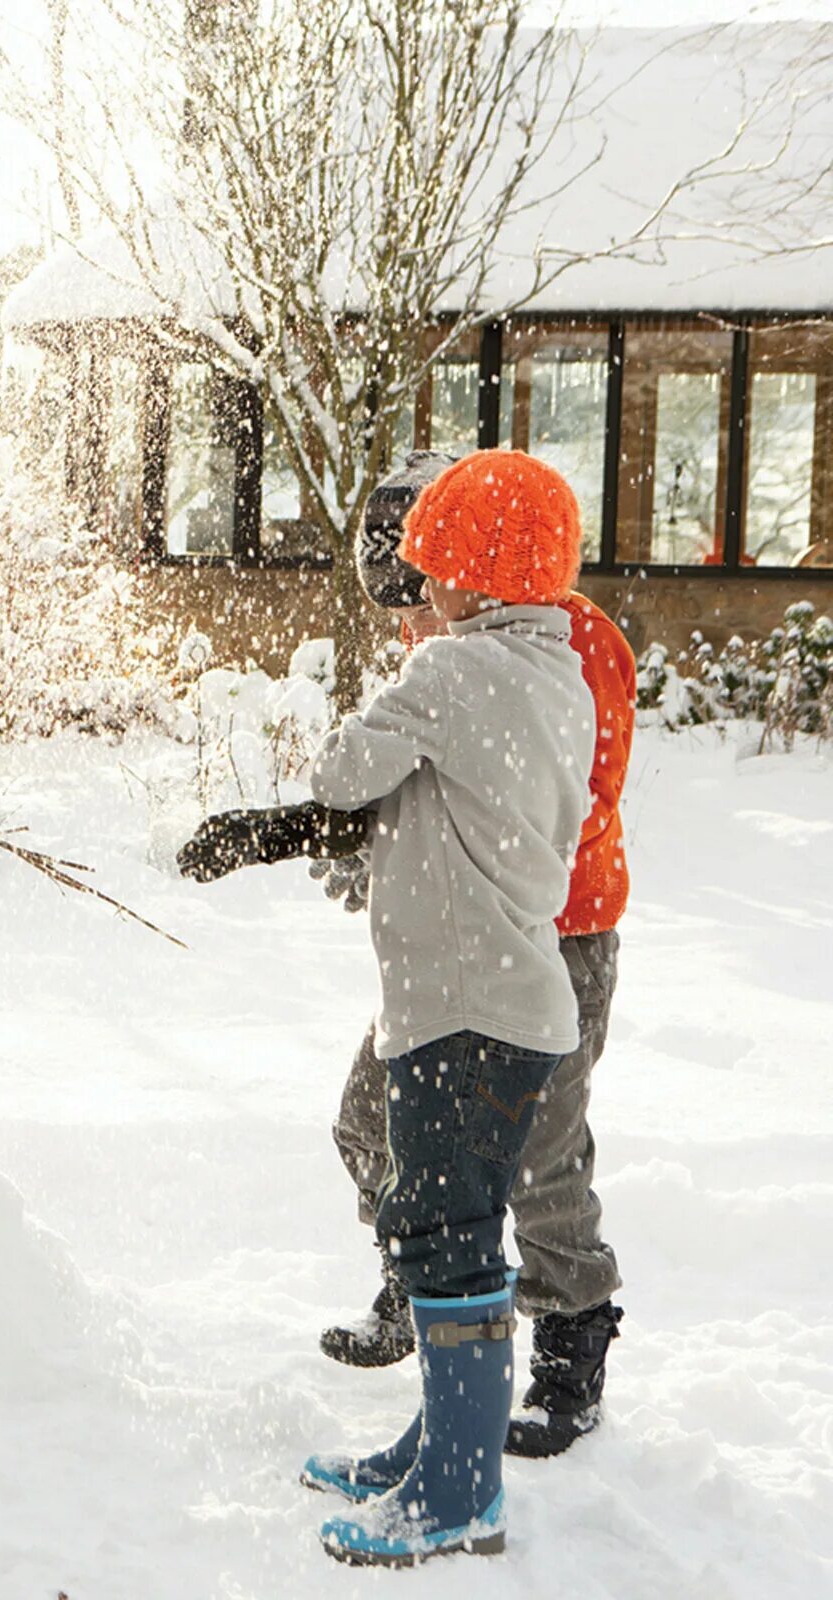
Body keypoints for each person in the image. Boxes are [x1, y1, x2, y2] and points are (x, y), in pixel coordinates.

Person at [180, 449, 635, 1459]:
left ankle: (570, 1341)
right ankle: (421, 1273)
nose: (409, 616)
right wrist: (343, 837)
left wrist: (413, 826)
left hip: (553, 938)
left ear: (474, 571)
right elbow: (419, 778)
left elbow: (529, 801)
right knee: (366, 1119)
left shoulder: (563, 647)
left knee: (539, 1157)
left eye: (423, 584)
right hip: (455, 956)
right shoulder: (462, 645)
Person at [293, 450, 595, 1566]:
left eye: (432, 573)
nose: (419, 595)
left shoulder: (456, 674)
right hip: (507, 1011)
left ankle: (461, 1490)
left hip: (459, 1015)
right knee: (456, 1229)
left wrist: (398, 699)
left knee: (445, 1239)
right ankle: (437, 1445)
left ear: (474, 579)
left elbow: (339, 771)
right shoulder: (554, 674)